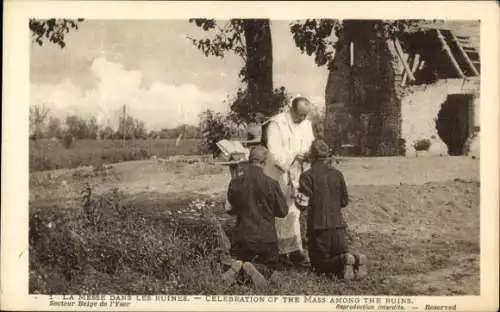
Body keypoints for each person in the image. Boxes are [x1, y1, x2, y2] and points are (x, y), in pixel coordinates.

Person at [295, 139, 367, 280]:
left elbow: (302, 205)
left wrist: (295, 196)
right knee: (337, 255)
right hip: (339, 228)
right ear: (327, 155)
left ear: (311, 156)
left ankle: (344, 260)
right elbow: (344, 201)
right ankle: (356, 258)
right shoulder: (337, 174)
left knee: (318, 266)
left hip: (319, 229)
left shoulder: (306, 176)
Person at [221, 145, 289, 287]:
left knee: (243, 261)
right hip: (267, 242)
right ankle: (254, 269)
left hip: (242, 241)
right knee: (271, 271)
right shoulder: (272, 183)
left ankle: (240, 266)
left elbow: (229, 210)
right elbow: (283, 212)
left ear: (249, 160)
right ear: (264, 162)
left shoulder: (235, 182)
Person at [262, 96, 315, 266]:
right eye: (300, 115)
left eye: (305, 115)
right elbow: (274, 152)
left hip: (298, 173)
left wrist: (308, 155)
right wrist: (293, 155)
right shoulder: (276, 124)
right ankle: (280, 251)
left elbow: (311, 145)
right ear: (291, 110)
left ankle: (294, 250)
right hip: (279, 174)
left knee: (294, 211)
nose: (302, 119)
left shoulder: (306, 124)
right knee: (280, 211)